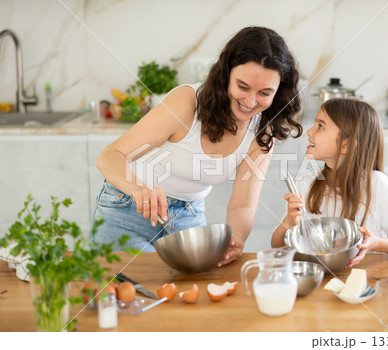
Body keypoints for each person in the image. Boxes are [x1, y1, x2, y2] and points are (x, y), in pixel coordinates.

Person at [92, 26, 303, 266]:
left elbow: (243, 202)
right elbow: (110, 156)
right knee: (135, 292)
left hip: (188, 219)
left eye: (265, 93)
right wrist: (139, 190)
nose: (251, 102)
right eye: (243, 87)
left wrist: (236, 238)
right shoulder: (187, 103)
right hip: (128, 210)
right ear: (225, 76)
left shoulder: (262, 131)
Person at [271, 98, 388, 267]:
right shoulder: (306, 182)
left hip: (366, 279)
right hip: (319, 277)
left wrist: (377, 243)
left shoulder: (377, 184)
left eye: (320, 126)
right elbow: (277, 246)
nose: (309, 131)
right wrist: (289, 222)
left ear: (346, 144)